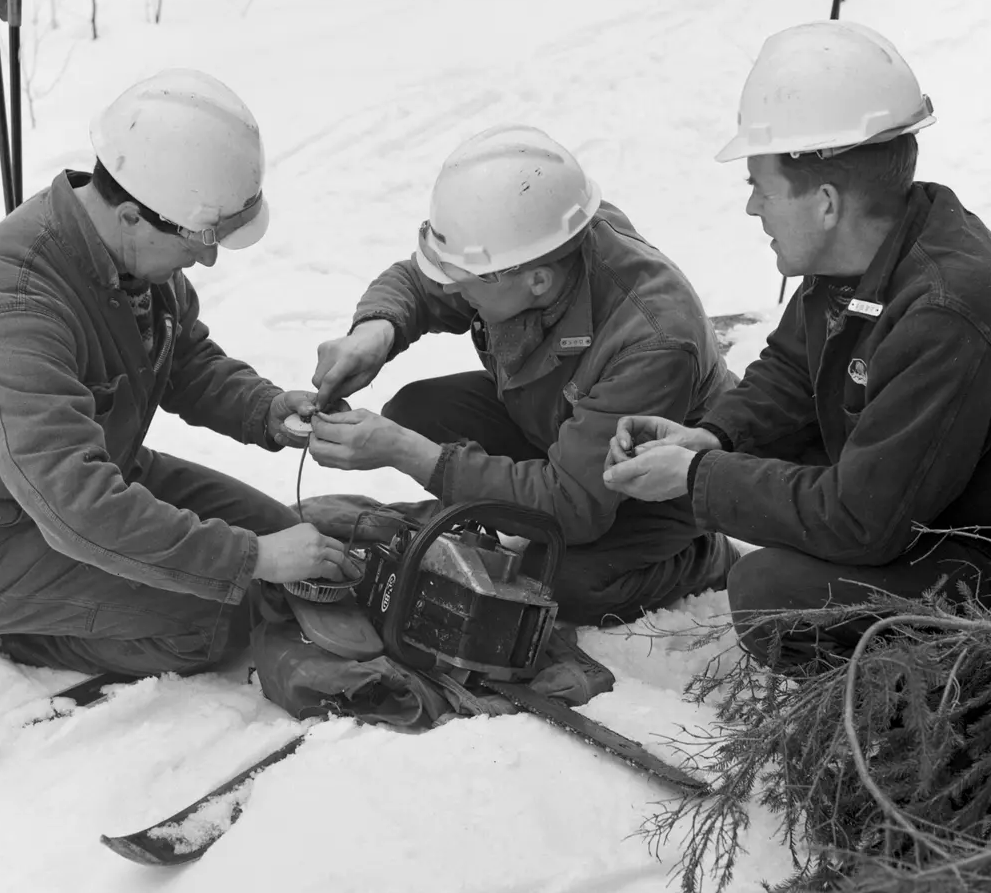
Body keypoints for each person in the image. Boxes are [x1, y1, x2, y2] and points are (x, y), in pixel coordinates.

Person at [601, 21, 991, 669]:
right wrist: (713, 440)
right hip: (943, 500)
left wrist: (696, 478)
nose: (752, 208)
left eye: (759, 187)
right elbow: (794, 367)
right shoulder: (868, 248)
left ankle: (917, 710)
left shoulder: (949, 311)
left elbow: (862, 522)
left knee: (771, 592)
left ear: (824, 202)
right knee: (790, 464)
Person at [0, 70, 356, 678]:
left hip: (97, 473)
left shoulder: (135, 246)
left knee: (285, 542)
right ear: (129, 215)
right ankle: (9, 628)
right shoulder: (9, 312)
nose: (208, 257)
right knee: (221, 616)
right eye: (202, 239)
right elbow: (77, 505)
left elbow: (185, 358)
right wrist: (249, 557)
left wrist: (266, 410)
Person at [302, 124, 739, 626]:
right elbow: (419, 282)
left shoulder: (651, 340)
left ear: (537, 280)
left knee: (556, 584)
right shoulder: (524, 245)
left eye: (465, 282)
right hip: (560, 430)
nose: (454, 288)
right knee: (417, 412)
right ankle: (504, 514)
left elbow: (574, 503)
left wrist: (408, 454)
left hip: (647, 487)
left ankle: (702, 554)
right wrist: (374, 333)